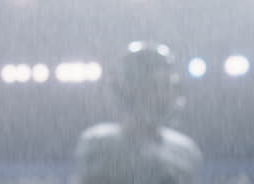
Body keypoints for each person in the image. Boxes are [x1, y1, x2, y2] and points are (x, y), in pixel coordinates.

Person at [74, 41, 202, 184]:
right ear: (129, 90)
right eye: (153, 86)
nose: (163, 95)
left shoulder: (185, 150)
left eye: (166, 86)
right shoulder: (100, 143)